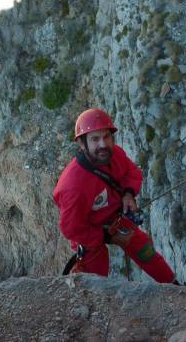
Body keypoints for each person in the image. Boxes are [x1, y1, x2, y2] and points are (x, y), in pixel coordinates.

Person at [53, 108, 176, 283]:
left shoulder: (114, 154)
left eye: (106, 137)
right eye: (95, 139)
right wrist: (107, 236)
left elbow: (132, 173)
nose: (103, 144)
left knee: (144, 250)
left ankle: (177, 287)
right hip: (90, 231)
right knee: (95, 278)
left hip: (115, 219)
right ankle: (96, 307)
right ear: (82, 144)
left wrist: (128, 193)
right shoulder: (73, 186)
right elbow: (71, 229)